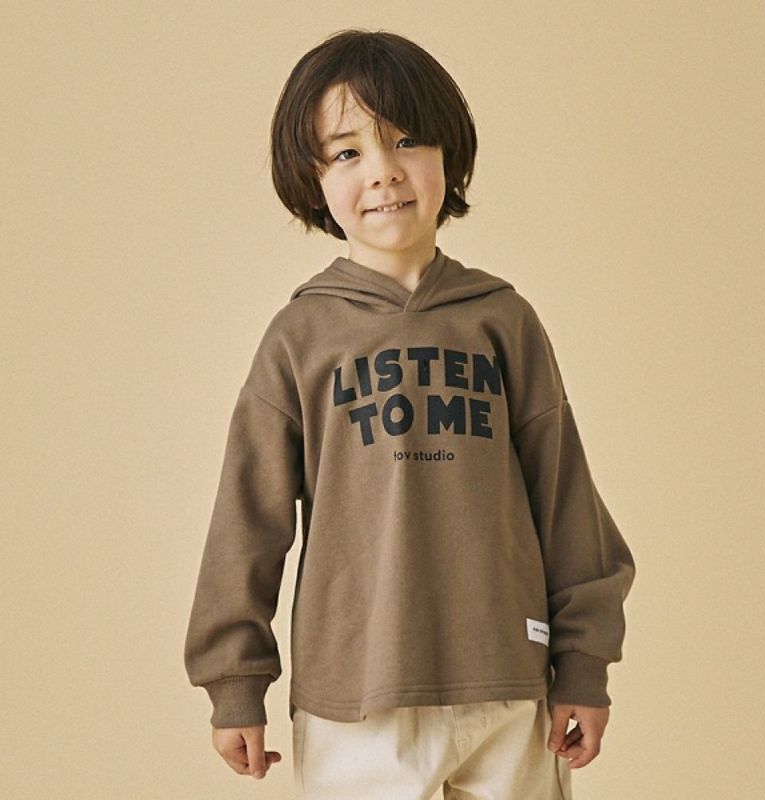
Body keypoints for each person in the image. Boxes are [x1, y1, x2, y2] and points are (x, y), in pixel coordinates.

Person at [183, 28, 636, 800]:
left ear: (447, 154)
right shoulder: (301, 336)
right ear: (313, 180)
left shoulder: (503, 321)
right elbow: (247, 519)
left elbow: (565, 499)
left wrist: (585, 666)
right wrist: (235, 682)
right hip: (358, 700)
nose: (384, 171)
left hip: (509, 685)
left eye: (406, 141)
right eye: (347, 152)